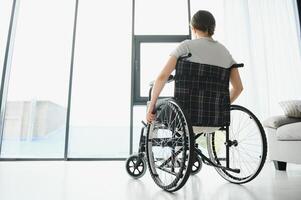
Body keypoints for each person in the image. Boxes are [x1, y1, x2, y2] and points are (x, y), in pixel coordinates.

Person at [146, 10, 243, 133]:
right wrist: (219, 107)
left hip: (184, 119)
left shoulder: (186, 47)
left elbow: (162, 77)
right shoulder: (225, 53)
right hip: (215, 121)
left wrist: (151, 106)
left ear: (194, 28)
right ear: (213, 28)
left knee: (155, 108)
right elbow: (238, 88)